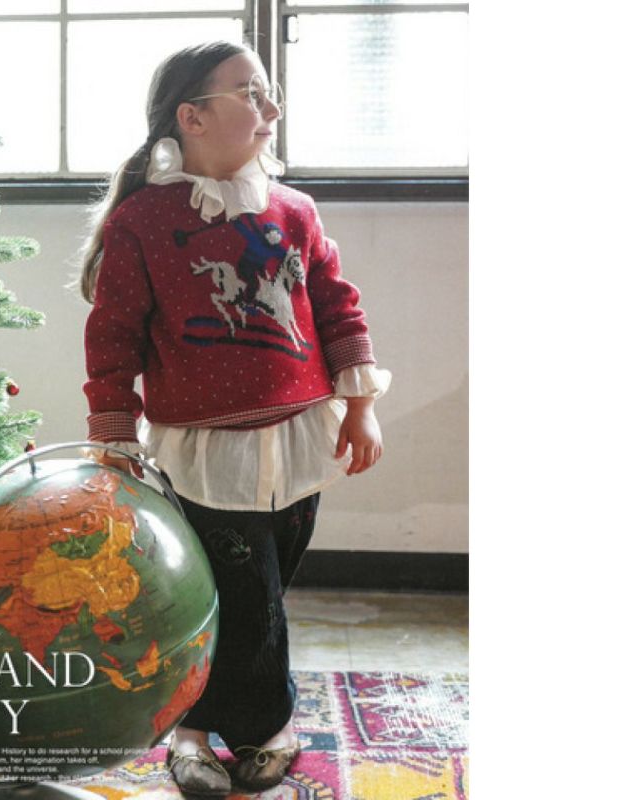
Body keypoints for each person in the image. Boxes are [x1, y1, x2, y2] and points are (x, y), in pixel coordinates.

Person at [80, 41, 391, 797]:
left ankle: (201, 721)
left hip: (301, 440)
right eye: (250, 94)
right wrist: (113, 434)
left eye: (268, 91)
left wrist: (360, 406)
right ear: (191, 117)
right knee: (239, 595)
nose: (270, 108)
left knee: (262, 593)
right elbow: (113, 336)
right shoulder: (143, 222)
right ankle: (249, 729)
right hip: (204, 452)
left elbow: (336, 306)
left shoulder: (295, 210)